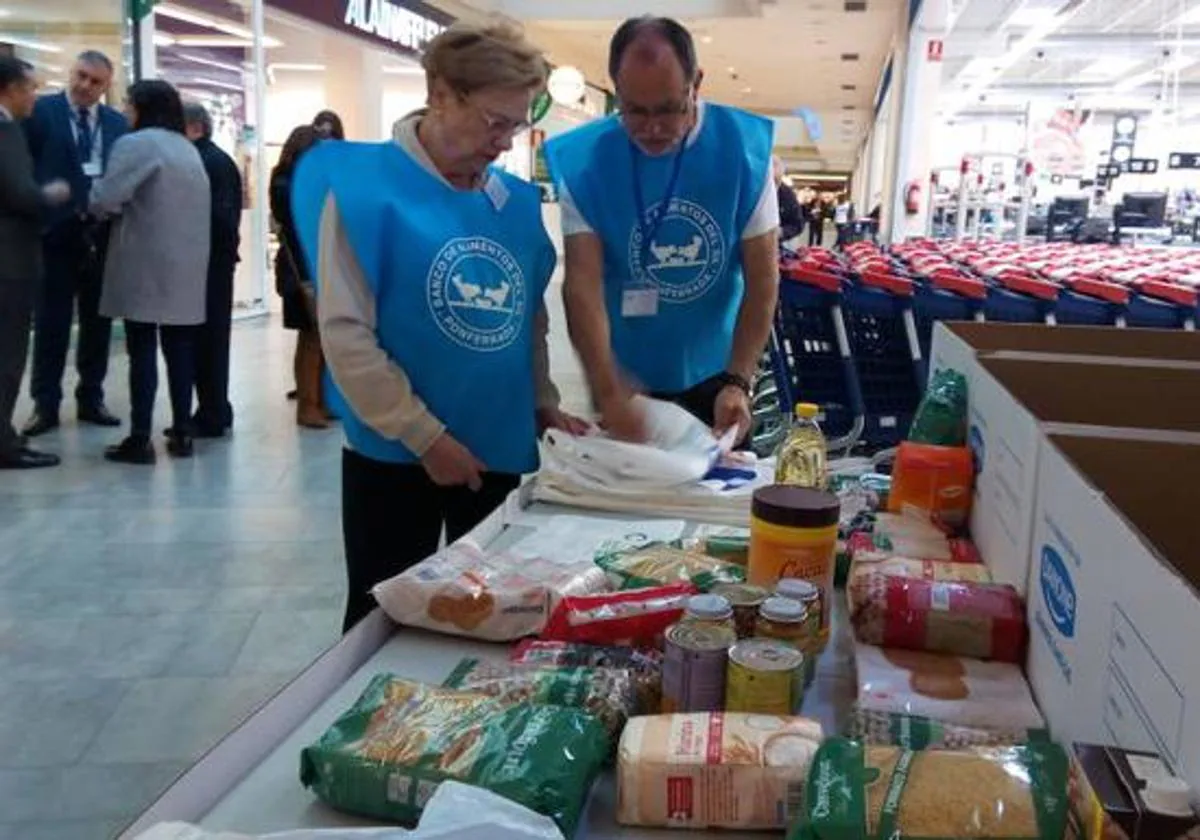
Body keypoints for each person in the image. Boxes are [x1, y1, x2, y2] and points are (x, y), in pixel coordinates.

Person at [290, 21, 585, 632]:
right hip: (395, 455)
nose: (504, 143)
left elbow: (525, 316)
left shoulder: (512, 200)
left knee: (489, 608)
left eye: (516, 125)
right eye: (492, 121)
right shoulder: (363, 190)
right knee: (384, 615)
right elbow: (346, 336)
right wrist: (424, 437)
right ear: (441, 93)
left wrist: (542, 401)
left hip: (495, 443)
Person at [545, 16, 780, 447]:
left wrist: (739, 380)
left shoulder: (743, 152)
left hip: (717, 374)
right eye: (634, 110)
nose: (652, 128)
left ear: (697, 83)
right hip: (628, 379)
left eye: (670, 108)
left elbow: (763, 281)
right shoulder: (587, 162)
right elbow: (582, 285)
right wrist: (606, 385)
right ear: (614, 88)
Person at [89, 80, 211, 464]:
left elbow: (107, 198)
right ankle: (181, 430)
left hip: (144, 262)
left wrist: (90, 197)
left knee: (141, 350)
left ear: (143, 107)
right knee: (179, 350)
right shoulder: (187, 149)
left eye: (128, 104)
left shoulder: (136, 144)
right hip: (186, 267)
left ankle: (140, 437)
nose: (125, 111)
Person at [22, 50, 129, 437]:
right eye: (81, 76)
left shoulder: (117, 124)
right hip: (54, 234)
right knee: (52, 321)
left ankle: (91, 398)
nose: (85, 86)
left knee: (97, 321)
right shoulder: (41, 112)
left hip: (99, 234)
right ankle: (44, 404)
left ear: (106, 86)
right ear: (71, 72)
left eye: (95, 81)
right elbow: (23, 166)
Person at [0, 58, 72, 469]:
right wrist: (52, 195)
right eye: (29, 87)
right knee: (8, 356)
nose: (34, 96)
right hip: (10, 262)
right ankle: (4, 443)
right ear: (9, 88)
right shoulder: (6, 130)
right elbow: (20, 194)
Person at [184, 102, 242, 437]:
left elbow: (217, 219)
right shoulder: (218, 160)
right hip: (217, 263)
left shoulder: (204, 162)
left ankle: (212, 411)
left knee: (207, 342)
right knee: (213, 341)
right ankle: (216, 407)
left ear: (194, 127)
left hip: (209, 266)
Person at [270, 125, 330, 429]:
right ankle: (309, 405)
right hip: (302, 270)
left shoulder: (285, 182)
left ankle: (316, 401)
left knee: (316, 338)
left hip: (304, 267)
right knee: (311, 339)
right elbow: (298, 232)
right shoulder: (290, 186)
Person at [775, 156, 804, 244]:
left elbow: (797, 224)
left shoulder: (786, 193)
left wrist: (782, 232)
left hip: (773, 244)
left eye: (776, 181)